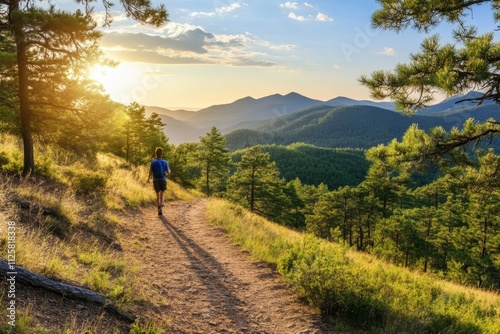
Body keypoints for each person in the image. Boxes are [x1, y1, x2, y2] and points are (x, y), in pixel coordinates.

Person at [148, 147, 171, 216]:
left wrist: (148, 178)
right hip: (162, 179)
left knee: (157, 195)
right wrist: (169, 171)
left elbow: (150, 171)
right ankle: (161, 206)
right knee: (162, 194)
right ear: (162, 154)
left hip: (155, 180)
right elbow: (168, 172)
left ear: (155, 153)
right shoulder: (165, 162)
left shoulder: (153, 162)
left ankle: (158, 208)